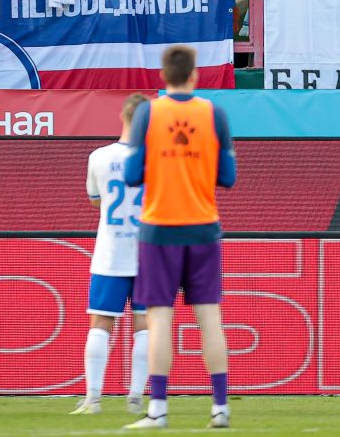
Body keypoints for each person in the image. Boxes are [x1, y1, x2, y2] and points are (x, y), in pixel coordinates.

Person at [123, 45, 237, 430]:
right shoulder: (213, 113)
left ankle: (158, 410)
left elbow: (131, 174)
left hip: (159, 228)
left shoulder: (147, 113)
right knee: (210, 317)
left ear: (162, 74)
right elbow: (228, 177)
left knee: (160, 319)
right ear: (195, 74)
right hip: (204, 226)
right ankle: (220, 407)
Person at [72, 93, 153, 416]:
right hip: (150, 252)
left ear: (122, 116)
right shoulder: (158, 159)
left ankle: (93, 399)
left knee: (100, 322)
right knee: (145, 325)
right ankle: (135, 397)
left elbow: (95, 200)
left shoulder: (100, 156)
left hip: (111, 251)